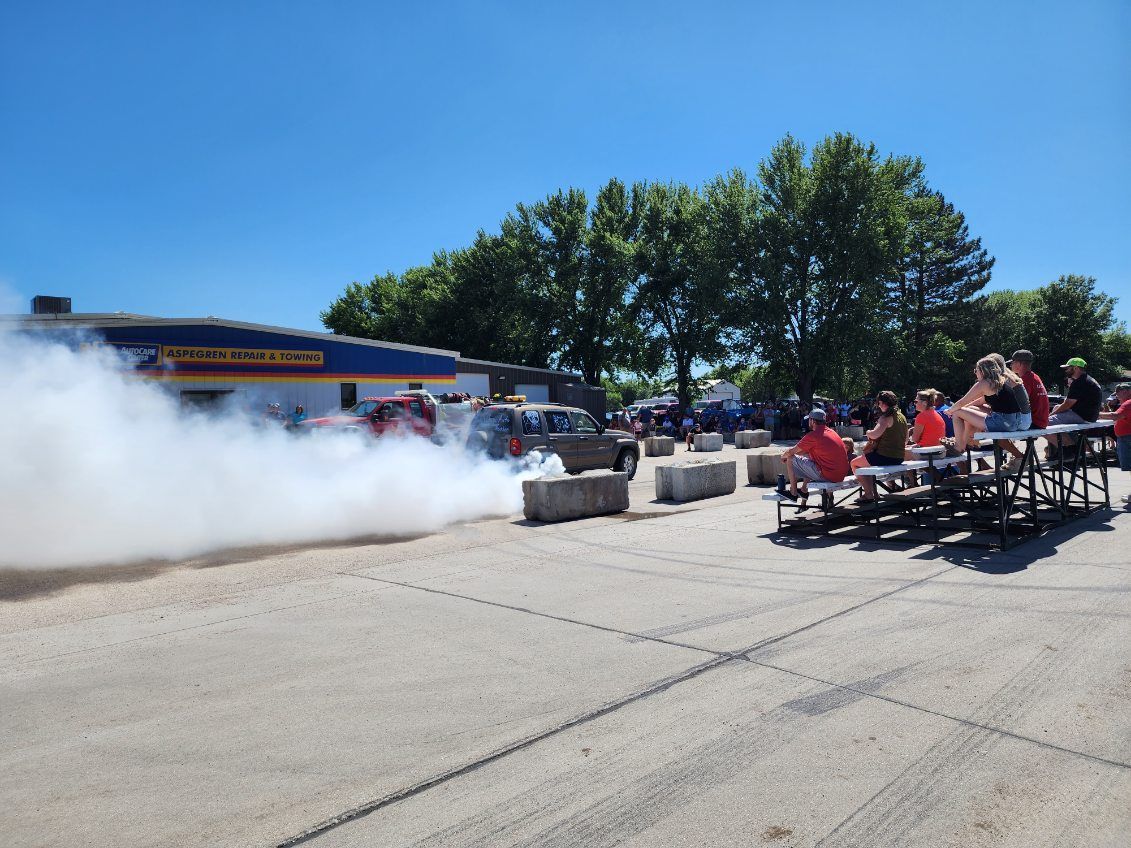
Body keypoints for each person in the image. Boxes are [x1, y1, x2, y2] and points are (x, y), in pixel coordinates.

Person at [945, 356, 1031, 453]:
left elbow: (962, 402)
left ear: (982, 371)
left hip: (1004, 423)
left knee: (957, 412)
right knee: (969, 411)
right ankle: (970, 441)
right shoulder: (1003, 380)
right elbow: (976, 402)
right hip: (1015, 422)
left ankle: (959, 447)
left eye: (976, 370)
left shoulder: (983, 383)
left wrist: (949, 411)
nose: (975, 373)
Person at [779, 407, 851, 504]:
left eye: (809, 419)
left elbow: (791, 452)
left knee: (790, 458)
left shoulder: (814, 435)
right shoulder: (832, 432)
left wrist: (784, 456)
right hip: (840, 475)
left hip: (828, 476)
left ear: (812, 421)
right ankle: (804, 490)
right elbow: (803, 451)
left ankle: (793, 493)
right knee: (810, 457)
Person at [849, 390, 908, 503]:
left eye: (879, 403)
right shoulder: (902, 417)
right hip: (899, 457)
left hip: (885, 456)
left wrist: (868, 432)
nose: (878, 405)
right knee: (866, 465)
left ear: (882, 403)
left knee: (854, 463)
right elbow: (905, 440)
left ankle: (869, 494)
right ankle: (874, 492)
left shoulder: (885, 418)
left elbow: (874, 434)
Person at [1047, 356, 1103, 460]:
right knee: (1056, 410)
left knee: (1042, 423)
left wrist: (1052, 414)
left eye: (1068, 368)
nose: (1066, 370)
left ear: (1076, 368)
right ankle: (1070, 448)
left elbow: (1068, 404)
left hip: (1081, 416)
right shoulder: (1089, 380)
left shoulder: (1079, 382)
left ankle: (1069, 449)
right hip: (1089, 416)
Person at [1098, 383, 1131, 503]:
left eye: (1118, 392)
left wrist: (1095, 414)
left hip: (1127, 438)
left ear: (1126, 391)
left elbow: (1115, 415)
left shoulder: (1128, 403)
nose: (1116, 395)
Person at [904, 389, 944, 458]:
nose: (914, 404)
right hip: (939, 452)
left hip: (927, 453)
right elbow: (930, 440)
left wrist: (911, 433)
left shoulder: (921, 416)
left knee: (897, 454)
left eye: (916, 401)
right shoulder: (937, 414)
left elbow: (915, 439)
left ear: (924, 403)